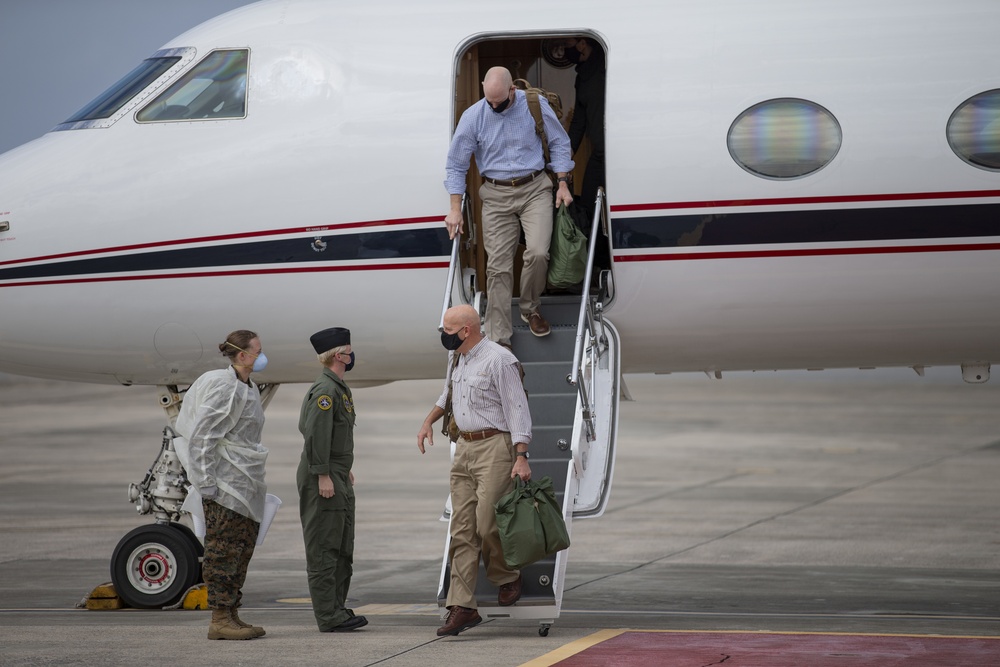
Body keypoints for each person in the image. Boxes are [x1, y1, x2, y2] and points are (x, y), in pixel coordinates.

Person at [416, 305, 533, 636]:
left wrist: (521, 455)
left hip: (495, 447)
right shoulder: (457, 358)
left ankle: (507, 575)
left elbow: (518, 410)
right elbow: (447, 394)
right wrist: (428, 421)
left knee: (487, 523)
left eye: (447, 331)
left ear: (466, 330)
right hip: (463, 448)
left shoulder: (500, 360)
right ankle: (463, 606)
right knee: (462, 528)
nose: (444, 336)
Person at [444, 66, 575, 346]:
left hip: (535, 188)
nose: (494, 107)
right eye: (489, 101)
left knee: (538, 253)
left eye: (500, 102)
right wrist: (455, 207)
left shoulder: (533, 104)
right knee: (499, 267)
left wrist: (562, 182)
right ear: (482, 87)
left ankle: (530, 308)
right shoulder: (474, 116)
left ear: (512, 90)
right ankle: (499, 336)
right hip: (495, 195)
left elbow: (560, 143)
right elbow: (456, 165)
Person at [174, 329, 270, 641]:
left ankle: (231, 613)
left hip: (243, 482)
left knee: (241, 550)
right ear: (242, 355)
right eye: (257, 350)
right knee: (223, 551)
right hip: (224, 485)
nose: (261, 354)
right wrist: (206, 484)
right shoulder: (224, 387)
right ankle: (218, 618)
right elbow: (203, 437)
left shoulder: (248, 386)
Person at [297, 327, 368, 632]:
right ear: (339, 355)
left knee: (342, 545)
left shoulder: (338, 387)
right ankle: (328, 615)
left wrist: (341, 468)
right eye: (349, 351)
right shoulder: (325, 392)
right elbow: (314, 434)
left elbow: (336, 434)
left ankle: (337, 608)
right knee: (325, 547)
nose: (352, 356)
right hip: (322, 475)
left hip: (336, 471)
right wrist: (323, 473)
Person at [564, 37, 606, 219]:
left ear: (582, 44)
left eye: (567, 44)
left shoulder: (606, 67)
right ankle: (596, 248)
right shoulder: (581, 77)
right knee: (588, 204)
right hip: (600, 153)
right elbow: (579, 121)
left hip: (616, 154)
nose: (566, 50)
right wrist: (566, 154)